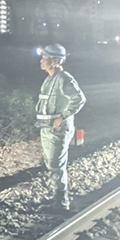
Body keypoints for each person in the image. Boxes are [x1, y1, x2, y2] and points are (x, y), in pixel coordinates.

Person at [36, 44, 86, 211]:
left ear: (55, 61)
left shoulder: (64, 79)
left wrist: (63, 117)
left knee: (56, 164)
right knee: (52, 164)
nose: (41, 60)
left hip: (57, 130)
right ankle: (56, 197)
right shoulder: (50, 79)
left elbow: (79, 99)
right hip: (47, 128)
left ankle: (61, 201)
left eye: (45, 58)